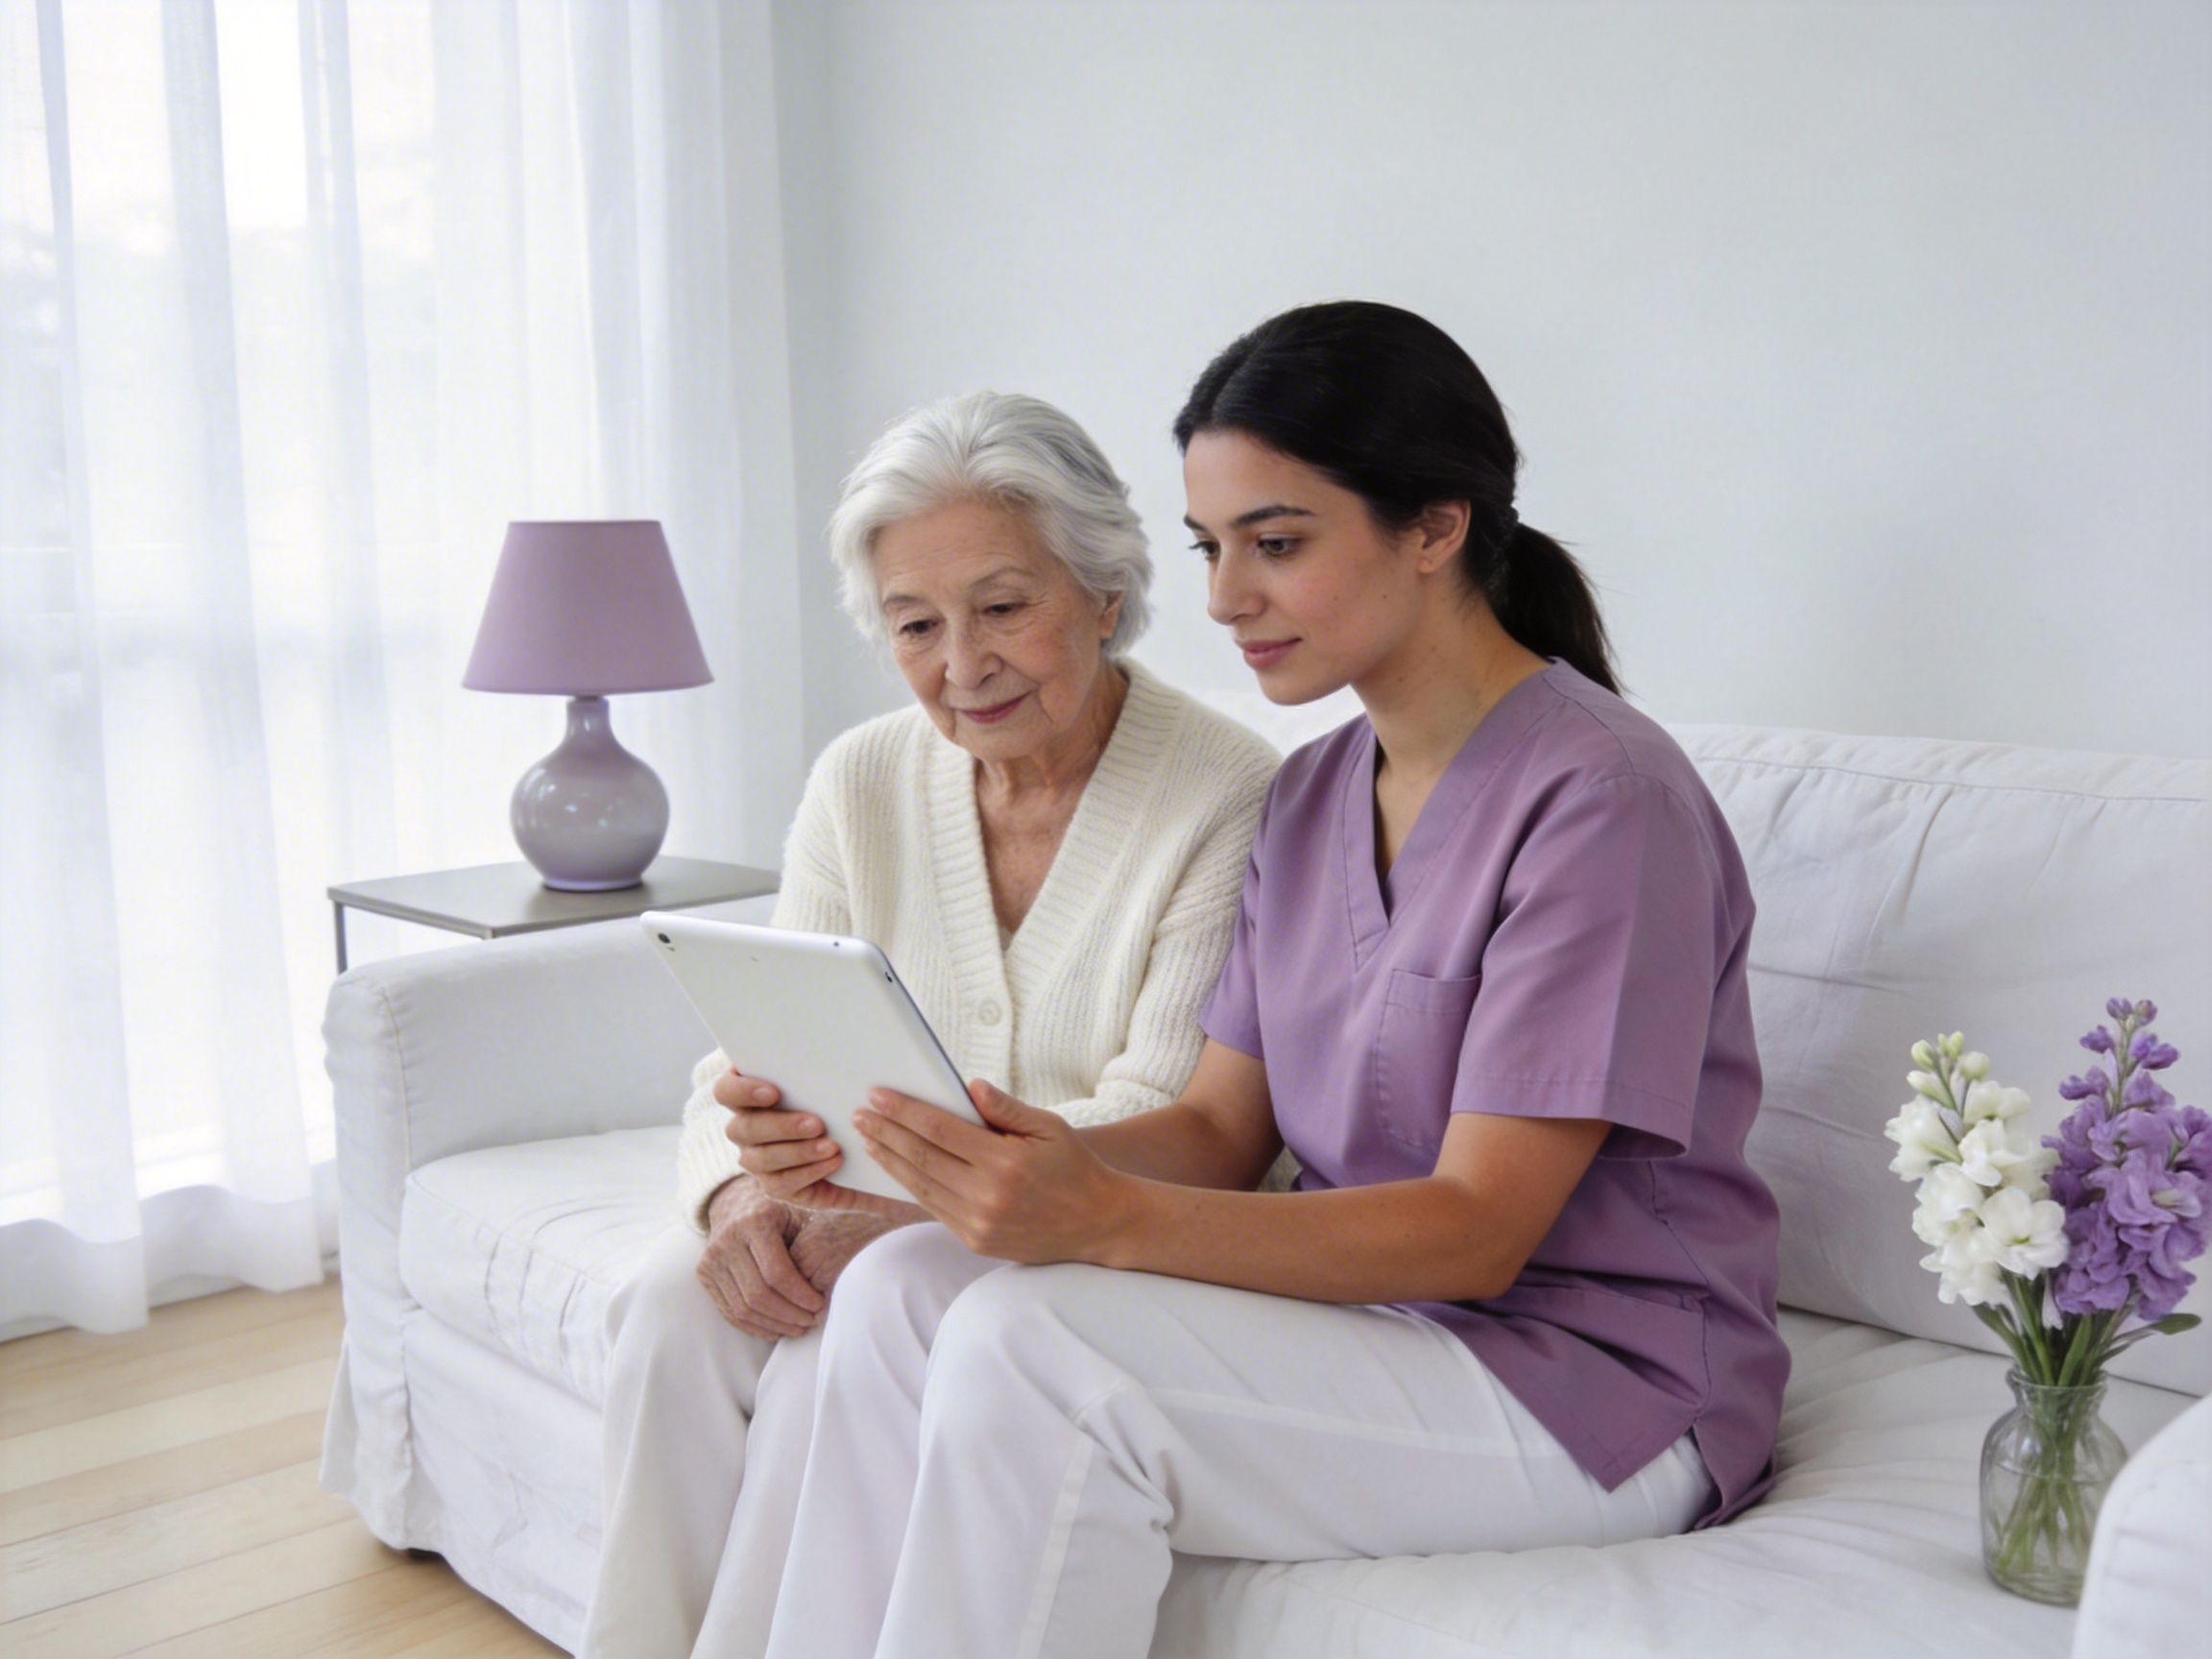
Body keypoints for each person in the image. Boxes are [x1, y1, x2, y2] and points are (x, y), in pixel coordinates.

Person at [727, 301, 1791, 1659]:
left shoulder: (1602, 800)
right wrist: (1005, 1157)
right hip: (1383, 1326)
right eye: (1212, 548)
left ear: (1434, 526)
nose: (1225, 598)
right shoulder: (1314, 795)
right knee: (899, 1286)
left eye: (1276, 544)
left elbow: (1478, 1231)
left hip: (1602, 1387)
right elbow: (1226, 1132)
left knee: (1035, 1352)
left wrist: (1099, 1216)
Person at [577, 392, 1281, 1659]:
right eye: (916, 624)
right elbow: (746, 1055)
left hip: (1085, 1230)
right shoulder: (862, 777)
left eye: (1004, 606)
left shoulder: (1228, 791)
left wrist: (896, 1207)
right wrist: (734, 1195)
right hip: (876, 1213)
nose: (963, 664)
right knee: (674, 1302)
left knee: (836, 1337)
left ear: (1105, 593)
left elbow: (1171, 1116)